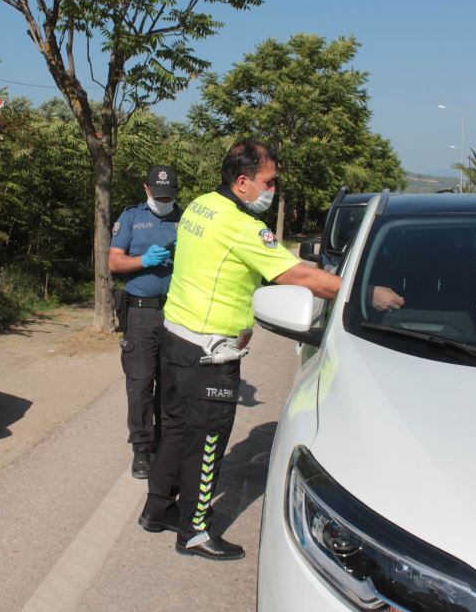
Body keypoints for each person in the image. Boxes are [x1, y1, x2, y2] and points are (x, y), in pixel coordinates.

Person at [138, 140, 404, 561]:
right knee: (207, 441)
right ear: (242, 182)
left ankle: (157, 510)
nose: (272, 190)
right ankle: (193, 531)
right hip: (210, 354)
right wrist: (367, 292)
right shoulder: (241, 226)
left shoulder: (200, 206)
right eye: (269, 182)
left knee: (173, 429)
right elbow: (298, 274)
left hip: (176, 340)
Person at [108, 165, 182, 479]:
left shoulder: (187, 220)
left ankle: (165, 446)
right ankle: (141, 448)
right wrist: (142, 261)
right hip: (141, 313)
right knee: (140, 385)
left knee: (172, 386)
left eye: (169, 195)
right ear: (146, 189)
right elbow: (114, 261)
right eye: (157, 193)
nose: (163, 199)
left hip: (178, 313)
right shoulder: (131, 217)